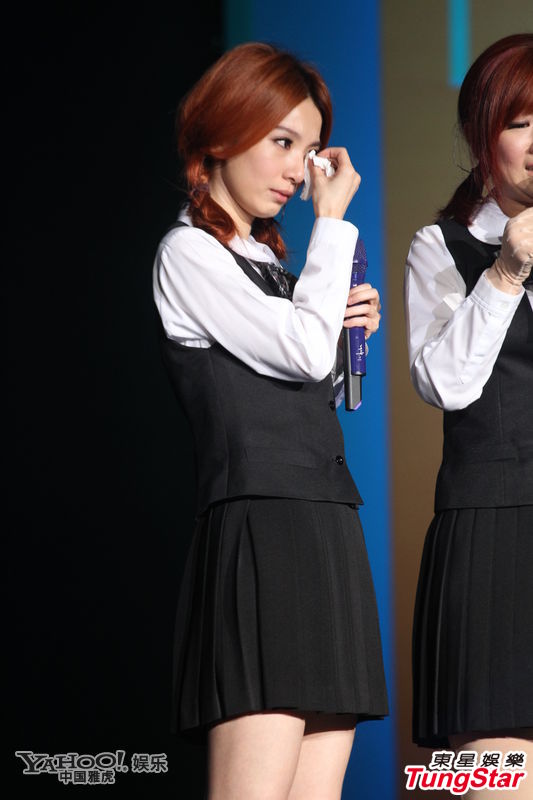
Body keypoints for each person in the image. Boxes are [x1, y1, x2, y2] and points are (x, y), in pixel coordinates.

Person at [153, 43, 388, 800]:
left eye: (309, 151)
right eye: (282, 142)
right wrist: (332, 228)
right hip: (259, 529)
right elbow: (296, 352)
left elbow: (310, 379)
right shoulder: (189, 253)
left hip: (326, 524)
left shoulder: (273, 267)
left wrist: (346, 336)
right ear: (222, 134)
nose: (297, 170)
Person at [405, 32, 533, 793]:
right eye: (521, 122)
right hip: (494, 528)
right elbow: (444, 384)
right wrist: (507, 273)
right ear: (482, 136)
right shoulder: (442, 246)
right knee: (496, 776)